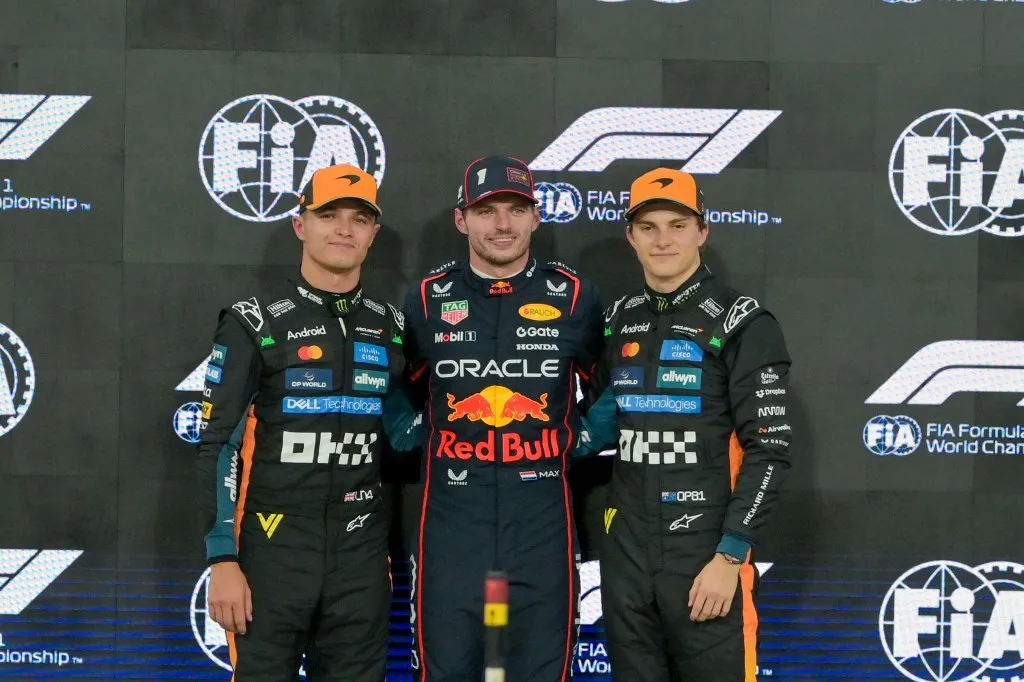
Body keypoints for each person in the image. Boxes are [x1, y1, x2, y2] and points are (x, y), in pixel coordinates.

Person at [196, 164, 420, 681]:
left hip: (362, 550)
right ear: (301, 225)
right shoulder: (253, 321)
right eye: (329, 215)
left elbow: (406, 432)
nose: (344, 228)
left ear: (373, 234)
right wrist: (222, 558)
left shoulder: (391, 326)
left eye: (359, 219)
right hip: (272, 548)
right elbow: (218, 445)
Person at [579, 168, 792, 682]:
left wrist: (729, 557)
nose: (663, 239)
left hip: (704, 554)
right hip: (627, 554)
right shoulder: (619, 318)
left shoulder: (743, 321)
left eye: (677, 225)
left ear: (703, 231)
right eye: (648, 227)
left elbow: (770, 452)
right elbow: (600, 421)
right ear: (630, 236)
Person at [401, 156, 604, 681]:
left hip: (541, 521)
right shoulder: (426, 299)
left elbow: (616, 391)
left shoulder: (576, 296)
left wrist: (575, 439)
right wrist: (413, 434)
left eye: (517, 210)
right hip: (451, 524)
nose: (503, 225)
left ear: (537, 218)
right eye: (487, 211)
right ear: (461, 219)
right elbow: (397, 391)